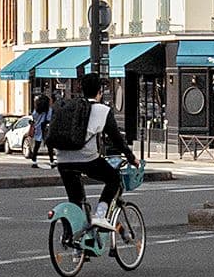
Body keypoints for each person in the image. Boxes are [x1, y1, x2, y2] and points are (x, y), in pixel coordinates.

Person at [51, 73, 140, 232]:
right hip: (87, 159)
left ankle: (75, 245)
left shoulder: (70, 107)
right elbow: (116, 139)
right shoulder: (102, 110)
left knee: (75, 200)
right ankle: (100, 215)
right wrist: (131, 158)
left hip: (62, 159)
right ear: (99, 91)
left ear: (81, 90)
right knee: (113, 179)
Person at [28, 95, 51, 168]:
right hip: (45, 129)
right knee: (49, 146)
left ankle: (34, 161)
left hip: (37, 129)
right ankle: (52, 161)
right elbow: (49, 119)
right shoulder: (48, 110)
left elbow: (34, 118)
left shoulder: (36, 111)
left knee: (36, 146)